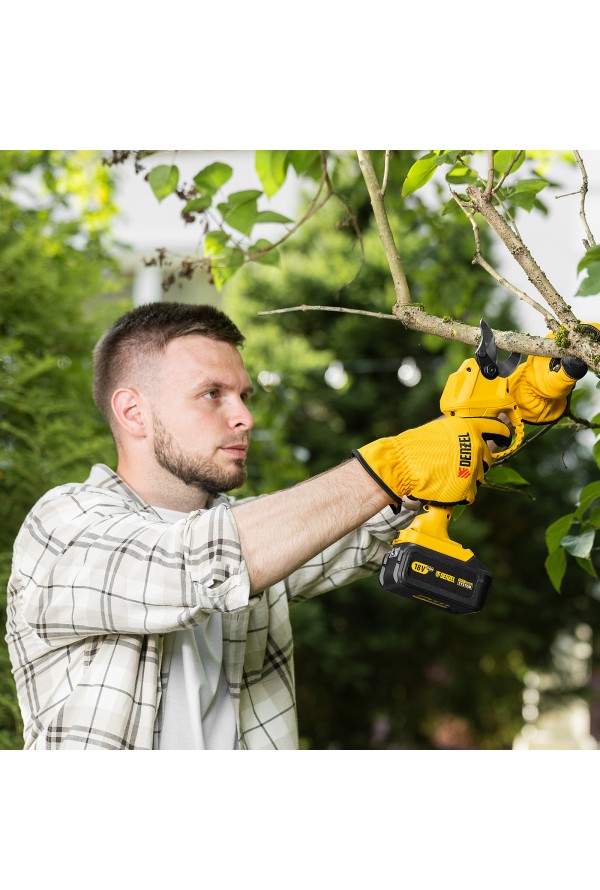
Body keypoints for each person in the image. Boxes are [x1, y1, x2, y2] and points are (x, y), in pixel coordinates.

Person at [5, 302, 510, 750]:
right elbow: (194, 563)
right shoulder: (62, 527)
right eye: (212, 394)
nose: (244, 417)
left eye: (243, 395)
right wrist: (392, 465)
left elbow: (366, 527)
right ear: (133, 412)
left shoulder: (257, 538)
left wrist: (497, 420)